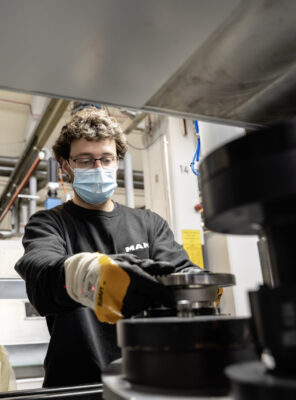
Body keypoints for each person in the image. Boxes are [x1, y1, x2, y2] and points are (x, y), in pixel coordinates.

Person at [15, 107, 200, 387]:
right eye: (86, 161)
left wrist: (201, 288)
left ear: (117, 162)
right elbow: (40, 273)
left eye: (106, 159)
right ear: (66, 166)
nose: (98, 168)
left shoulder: (149, 223)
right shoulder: (49, 224)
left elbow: (184, 275)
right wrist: (92, 274)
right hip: (75, 385)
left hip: (148, 379)